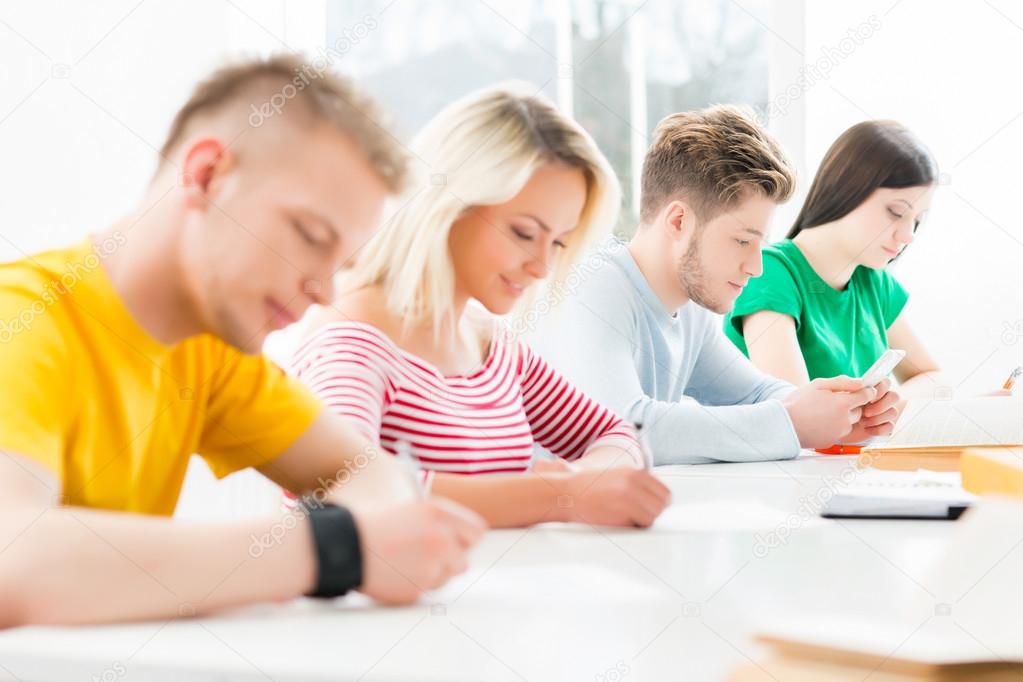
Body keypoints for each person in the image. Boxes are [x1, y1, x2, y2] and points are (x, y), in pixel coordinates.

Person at [0, 55, 484, 627]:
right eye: (310, 235)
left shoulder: (212, 353)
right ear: (206, 176)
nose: (324, 291)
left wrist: (367, 536)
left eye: (342, 263)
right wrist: (333, 550)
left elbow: (366, 469)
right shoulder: (24, 323)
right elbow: (14, 562)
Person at [290, 83, 672, 528]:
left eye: (559, 243)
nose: (542, 266)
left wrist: (584, 478)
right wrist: (559, 495)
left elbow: (615, 433)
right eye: (525, 233)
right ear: (449, 207)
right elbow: (348, 487)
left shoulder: (493, 347)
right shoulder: (351, 345)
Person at [528, 107, 900, 464]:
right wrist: (792, 423)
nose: (756, 266)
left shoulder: (690, 309)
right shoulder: (594, 285)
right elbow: (623, 427)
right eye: (742, 241)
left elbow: (757, 394)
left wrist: (839, 416)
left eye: (760, 243)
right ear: (678, 221)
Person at [724, 121, 942, 395]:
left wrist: (889, 406)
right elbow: (796, 411)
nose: (908, 235)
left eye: (917, 221)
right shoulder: (769, 272)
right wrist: (878, 408)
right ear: (846, 189)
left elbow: (931, 376)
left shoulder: (873, 282)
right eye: (897, 212)